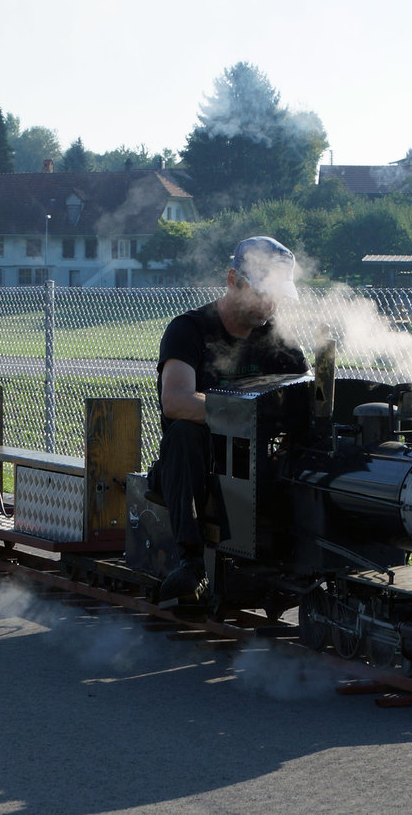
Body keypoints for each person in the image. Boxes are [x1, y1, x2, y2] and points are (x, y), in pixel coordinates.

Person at [154, 236, 308, 603]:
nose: (269, 304)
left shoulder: (277, 339)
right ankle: (191, 564)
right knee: (184, 434)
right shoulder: (189, 329)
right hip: (197, 465)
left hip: (254, 463)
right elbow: (175, 401)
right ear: (232, 281)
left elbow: (306, 397)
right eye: (261, 293)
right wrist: (244, 414)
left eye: (276, 295)